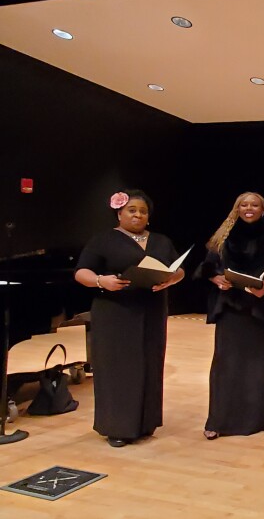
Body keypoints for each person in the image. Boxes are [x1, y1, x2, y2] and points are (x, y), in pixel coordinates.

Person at [74, 190, 184, 447]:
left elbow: (178, 269)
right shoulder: (103, 240)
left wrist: (171, 279)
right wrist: (102, 280)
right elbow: (81, 272)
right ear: (119, 213)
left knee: (149, 363)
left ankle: (145, 423)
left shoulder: (160, 240)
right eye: (132, 210)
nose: (138, 215)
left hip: (152, 309)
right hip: (115, 310)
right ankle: (118, 427)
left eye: (143, 211)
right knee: (119, 368)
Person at [196, 192, 264, 440]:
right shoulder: (222, 237)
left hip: (261, 311)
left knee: (259, 367)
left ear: (263, 210)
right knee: (226, 366)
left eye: (254, 205)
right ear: (236, 209)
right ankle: (219, 420)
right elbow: (206, 269)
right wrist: (216, 279)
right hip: (231, 309)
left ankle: (255, 420)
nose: (249, 208)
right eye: (243, 205)